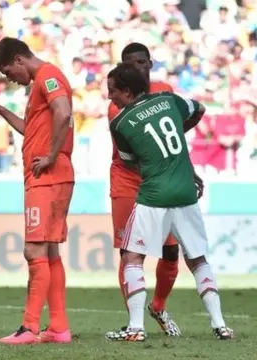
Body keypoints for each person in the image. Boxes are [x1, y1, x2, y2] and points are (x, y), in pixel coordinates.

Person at [105, 63, 233, 341]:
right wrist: (177, 129)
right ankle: (220, 325)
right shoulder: (169, 100)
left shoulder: (120, 123)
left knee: (132, 257)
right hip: (186, 191)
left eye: (112, 91)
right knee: (197, 258)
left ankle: (136, 327)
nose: (109, 97)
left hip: (154, 195)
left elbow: (131, 162)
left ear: (127, 91)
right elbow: (199, 109)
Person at [0, 37, 74, 345]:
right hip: (51, 176)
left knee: (34, 251)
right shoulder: (40, 84)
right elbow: (32, 129)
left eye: (7, 72)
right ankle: (58, 328)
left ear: (19, 60)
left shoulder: (48, 76)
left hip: (48, 176)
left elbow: (64, 112)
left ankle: (30, 327)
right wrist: (0, 110)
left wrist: (53, 154)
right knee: (50, 250)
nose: (9, 79)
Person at [106, 42, 198, 336]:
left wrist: (184, 169)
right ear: (123, 69)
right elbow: (134, 155)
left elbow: (172, 134)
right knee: (130, 253)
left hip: (161, 178)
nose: (139, 68)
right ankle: (134, 324)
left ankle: (158, 306)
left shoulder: (165, 90)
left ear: (151, 63)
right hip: (129, 179)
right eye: (132, 64)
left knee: (171, 253)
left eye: (143, 62)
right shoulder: (116, 107)